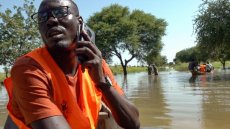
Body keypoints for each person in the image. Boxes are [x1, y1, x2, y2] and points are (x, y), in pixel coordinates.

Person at [3, 0, 140, 129]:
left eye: (61, 12)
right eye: (42, 17)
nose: (51, 20)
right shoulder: (28, 68)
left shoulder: (96, 63)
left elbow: (133, 123)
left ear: (80, 23)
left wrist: (102, 83)